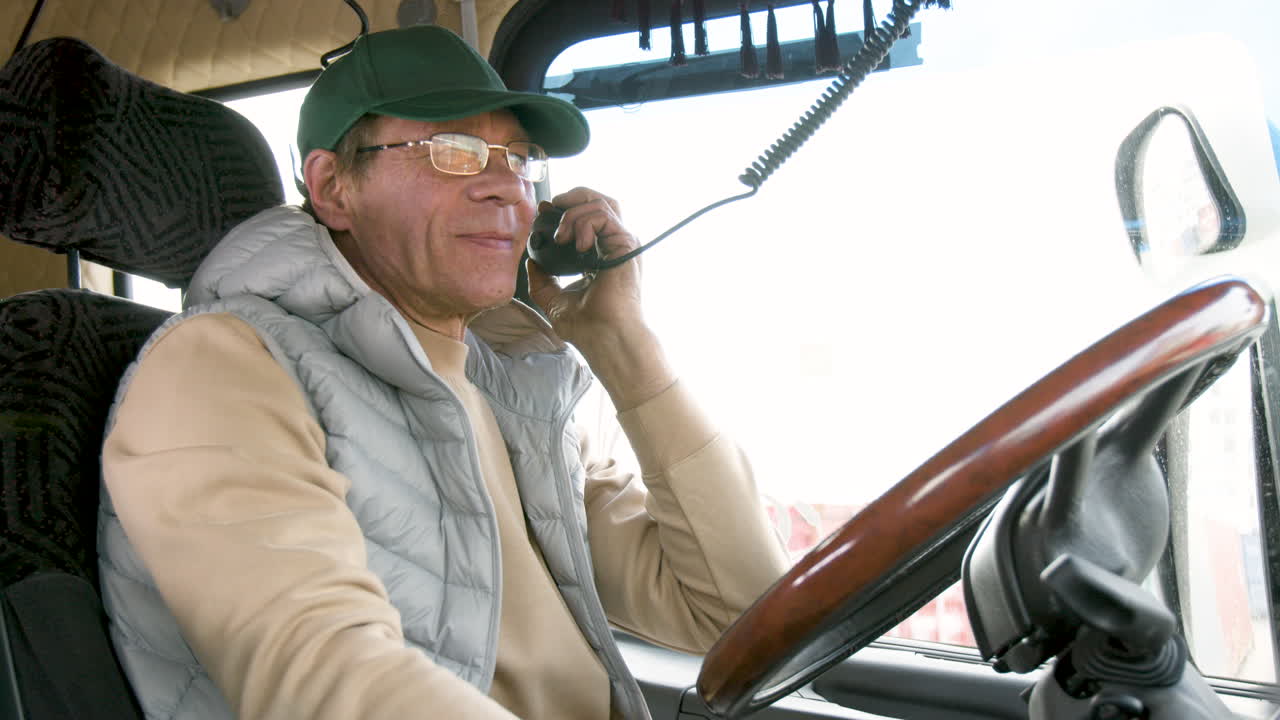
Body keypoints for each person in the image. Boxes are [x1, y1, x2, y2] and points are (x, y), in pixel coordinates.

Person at [98, 24, 789, 720]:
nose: (508, 192)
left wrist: (621, 343)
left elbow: (738, 615)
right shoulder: (221, 369)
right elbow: (327, 676)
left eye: (519, 160)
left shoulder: (517, 390)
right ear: (334, 188)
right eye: (453, 152)